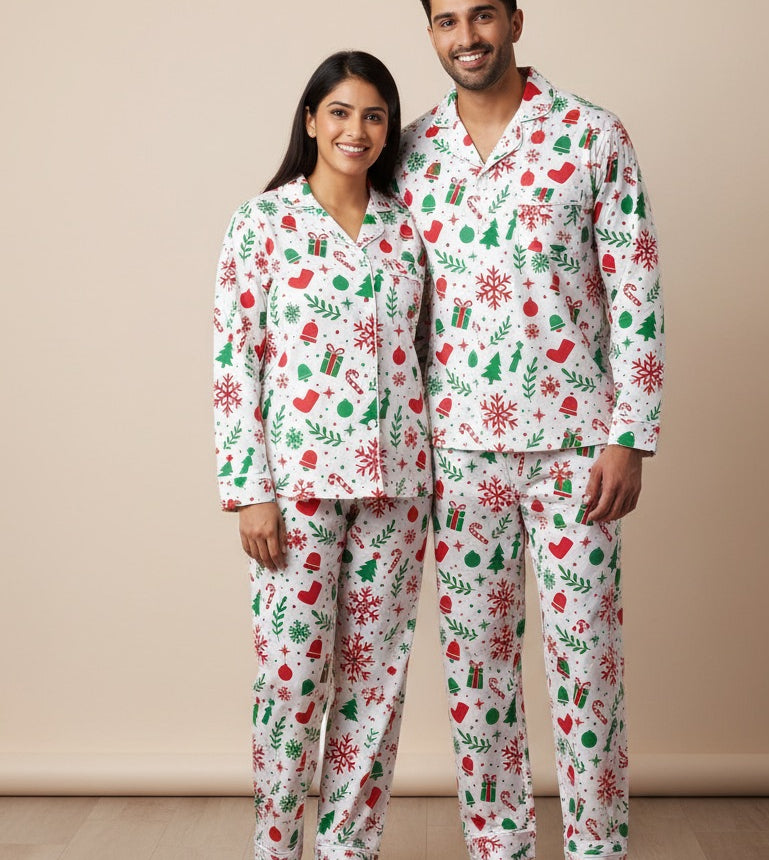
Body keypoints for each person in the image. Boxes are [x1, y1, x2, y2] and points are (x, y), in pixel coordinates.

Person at [398, 3, 664, 858]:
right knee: (477, 676)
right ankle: (497, 846)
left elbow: (636, 290)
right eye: (446, 20)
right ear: (430, 33)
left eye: (482, 14)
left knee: (588, 669)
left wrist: (630, 434)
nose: (466, 37)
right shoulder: (408, 152)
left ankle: (596, 849)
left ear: (516, 19)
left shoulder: (592, 136)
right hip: (455, 454)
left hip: (577, 451)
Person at [213, 51, 432, 860]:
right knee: (291, 680)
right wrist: (249, 490)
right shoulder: (263, 223)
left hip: (398, 487)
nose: (356, 129)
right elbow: (235, 362)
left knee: (376, 687)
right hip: (297, 487)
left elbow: (424, 355)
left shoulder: (407, 229)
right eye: (340, 111)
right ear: (311, 120)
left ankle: (351, 850)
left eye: (374, 115)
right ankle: (276, 847)